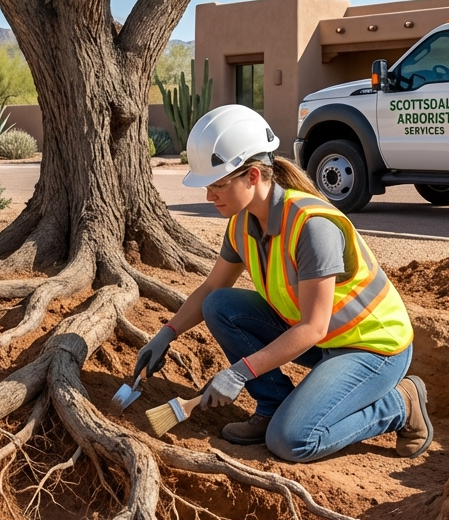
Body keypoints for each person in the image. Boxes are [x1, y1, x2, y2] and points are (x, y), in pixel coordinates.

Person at [133, 105, 432, 463]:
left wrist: (240, 372)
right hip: (322, 340)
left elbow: (313, 327)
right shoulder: (241, 224)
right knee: (221, 305)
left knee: (292, 441)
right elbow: (212, 289)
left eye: (217, 184)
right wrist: (167, 332)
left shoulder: (311, 226)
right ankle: (272, 403)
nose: (210, 195)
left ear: (254, 175)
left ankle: (400, 404)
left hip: (371, 348)